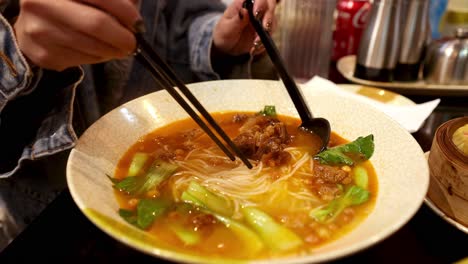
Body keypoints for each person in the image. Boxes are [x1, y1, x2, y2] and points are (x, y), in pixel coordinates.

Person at [0, 0, 278, 250]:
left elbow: (172, 17)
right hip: (46, 223)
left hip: (154, 156)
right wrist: (17, 49)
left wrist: (216, 40)